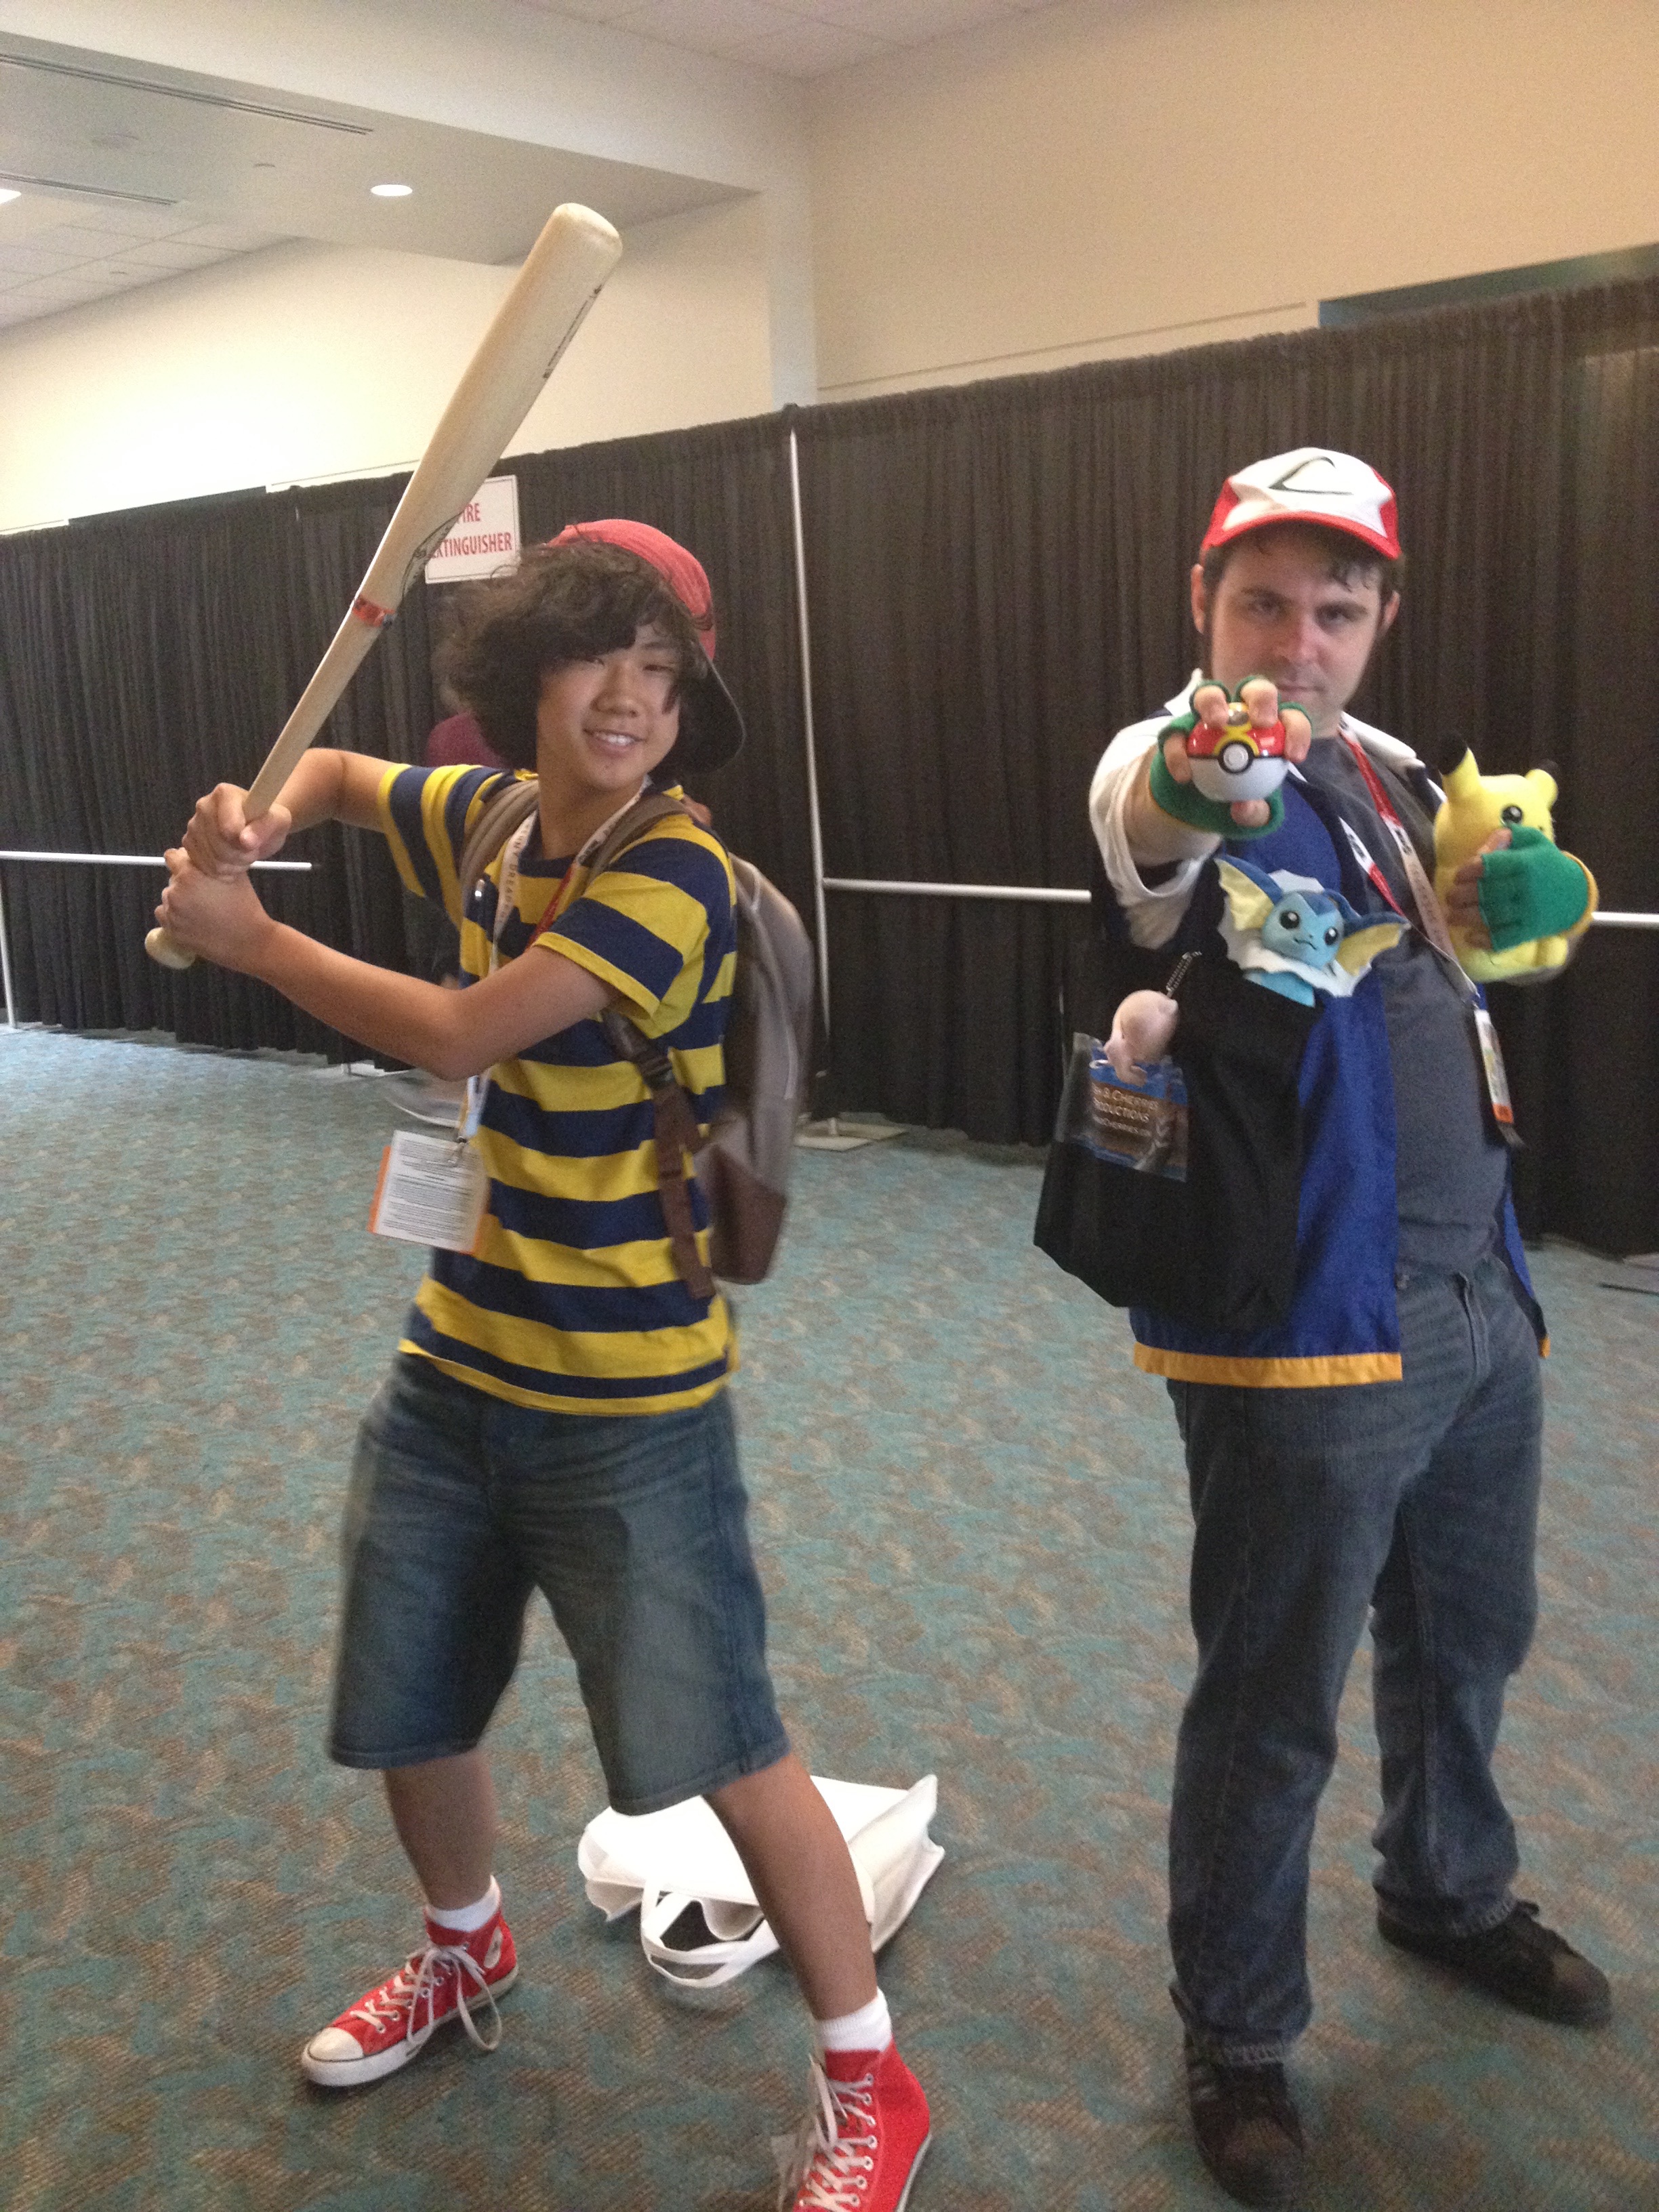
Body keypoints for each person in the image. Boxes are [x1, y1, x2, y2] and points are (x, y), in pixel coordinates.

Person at [156, 520, 931, 2212]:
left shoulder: (675, 875)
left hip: (634, 1403)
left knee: (724, 1741)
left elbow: (460, 1028)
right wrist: (266, 812)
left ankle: (873, 2077)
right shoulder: (499, 816)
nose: (631, 699)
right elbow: (346, 775)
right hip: (457, 1366)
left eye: (664, 671)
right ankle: (466, 1949)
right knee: (410, 1694)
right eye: (598, 657)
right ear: (526, 677)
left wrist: (250, 939)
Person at [1087, 451, 1606, 2207]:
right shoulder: (1167, 755)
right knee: (1273, 1696)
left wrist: (1528, 920)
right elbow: (1162, 818)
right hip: (1303, 1326)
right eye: (1263, 603)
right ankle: (1238, 2034)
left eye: (1336, 607)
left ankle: (1446, 1890)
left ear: (1380, 616)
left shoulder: (1396, 772)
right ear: (1204, 603)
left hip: (1476, 1294)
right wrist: (1203, 768)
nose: (1297, 643)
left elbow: (1468, 961)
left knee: (1469, 1638)